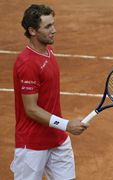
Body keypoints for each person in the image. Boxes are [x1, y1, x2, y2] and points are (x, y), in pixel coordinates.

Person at [11, 4, 88, 180]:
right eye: (48, 27)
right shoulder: (28, 64)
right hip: (32, 145)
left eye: (53, 24)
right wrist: (66, 125)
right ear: (32, 30)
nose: (54, 30)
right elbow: (31, 109)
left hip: (57, 140)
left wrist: (62, 129)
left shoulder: (48, 52)